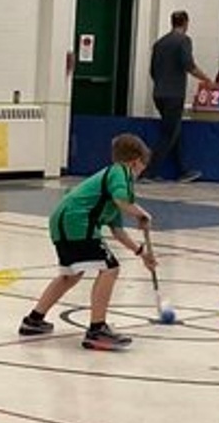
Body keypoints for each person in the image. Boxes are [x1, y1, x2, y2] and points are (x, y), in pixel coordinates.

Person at [18, 134, 158, 349]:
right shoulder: (120, 173)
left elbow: (118, 231)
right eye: (142, 168)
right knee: (110, 268)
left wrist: (142, 253)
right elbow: (123, 201)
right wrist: (142, 214)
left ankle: (34, 320)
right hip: (77, 221)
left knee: (71, 275)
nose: (140, 173)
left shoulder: (110, 178)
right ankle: (97, 329)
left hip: (62, 220)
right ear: (135, 161)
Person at [150, 10, 212, 183]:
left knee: (174, 131)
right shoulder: (184, 41)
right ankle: (149, 172)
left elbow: (153, 71)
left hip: (159, 93)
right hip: (174, 94)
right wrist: (207, 79)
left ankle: (183, 170)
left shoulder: (159, 43)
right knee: (169, 133)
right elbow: (189, 65)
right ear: (185, 22)